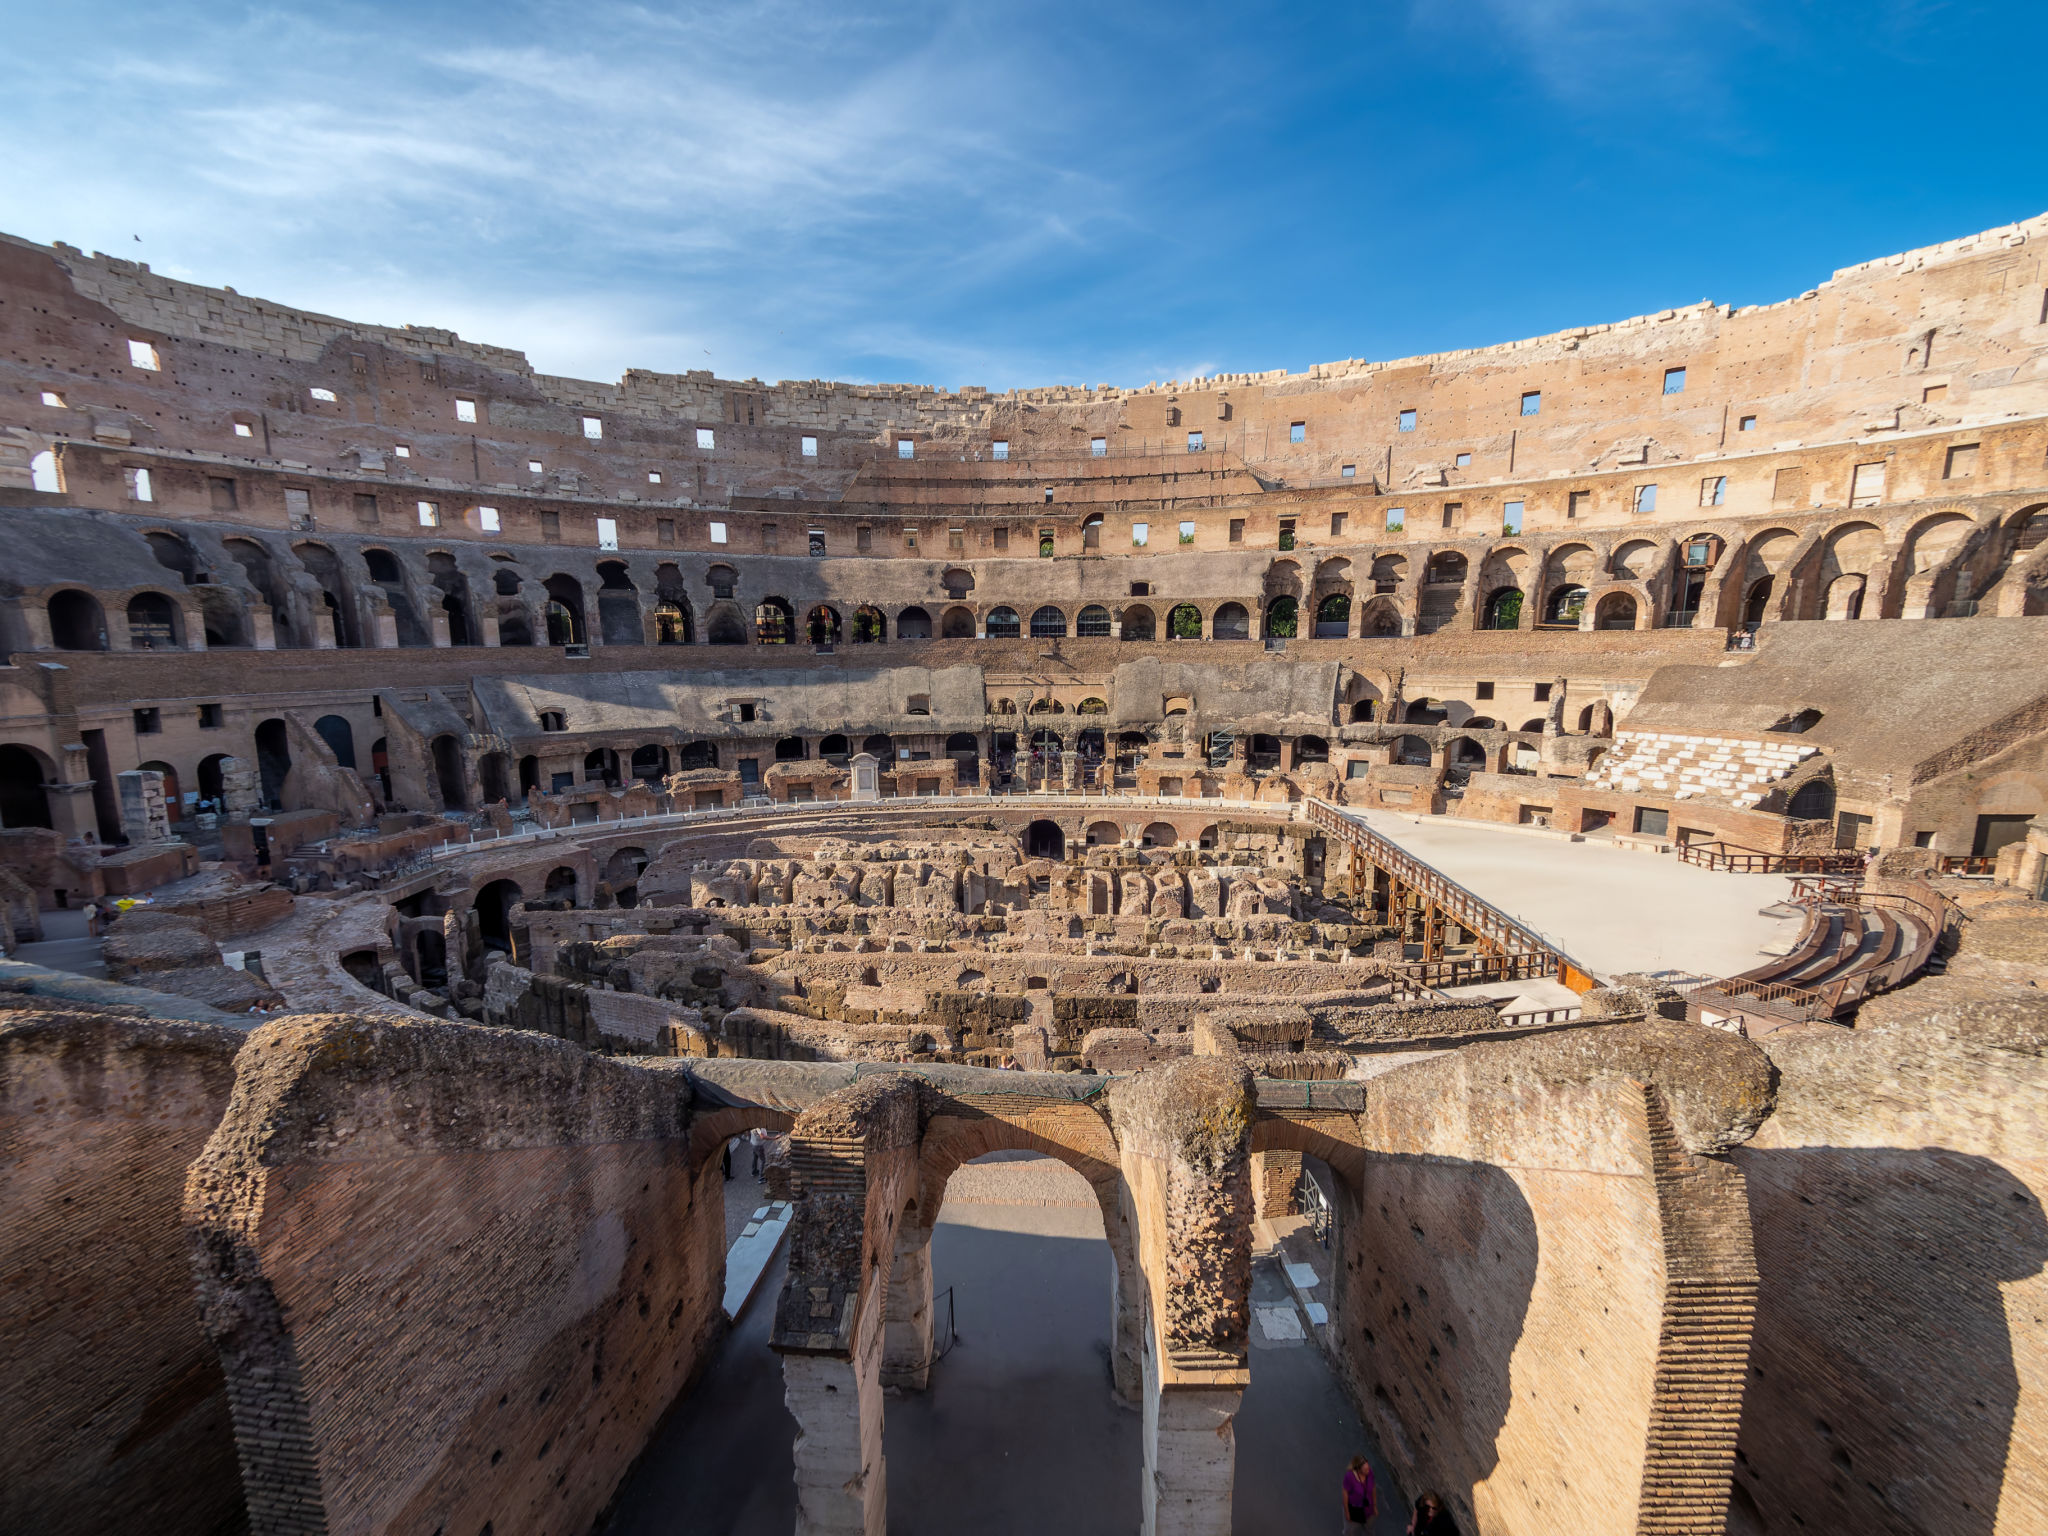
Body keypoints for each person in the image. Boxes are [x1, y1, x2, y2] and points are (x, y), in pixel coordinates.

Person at [1341, 1453, 1376, 1526]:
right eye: (1365, 1469)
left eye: (1368, 1467)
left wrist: (1374, 1506)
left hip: (1368, 1509)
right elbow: (1345, 1495)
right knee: (1351, 1531)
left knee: (1369, 1529)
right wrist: (1347, 1513)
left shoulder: (1370, 1473)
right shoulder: (1350, 1477)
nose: (1368, 1470)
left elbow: (1373, 1488)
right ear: (1358, 1469)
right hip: (1354, 1510)